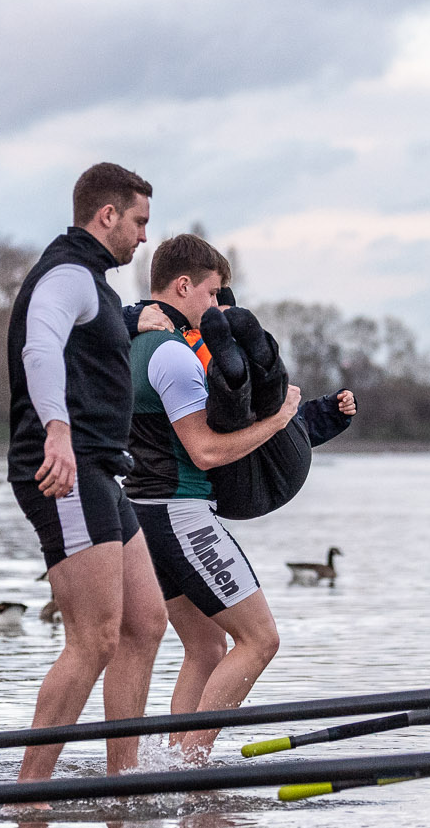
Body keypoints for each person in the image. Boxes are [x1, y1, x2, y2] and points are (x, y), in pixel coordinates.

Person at [7, 163, 168, 785]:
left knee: (144, 623)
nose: (143, 237)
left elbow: (84, 340)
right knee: (94, 638)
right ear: (107, 216)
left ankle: (120, 779)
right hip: (63, 469)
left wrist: (131, 321)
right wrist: (57, 430)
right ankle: (30, 794)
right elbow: (41, 345)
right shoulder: (68, 273)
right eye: (139, 221)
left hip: (98, 469)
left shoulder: (91, 282)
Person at [125, 235, 302, 761]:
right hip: (179, 513)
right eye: (212, 293)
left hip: (142, 519)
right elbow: (204, 451)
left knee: (205, 648)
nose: (218, 307)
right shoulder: (174, 355)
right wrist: (280, 419)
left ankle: (173, 762)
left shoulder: (132, 343)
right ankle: (191, 764)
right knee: (261, 640)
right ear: (183, 286)